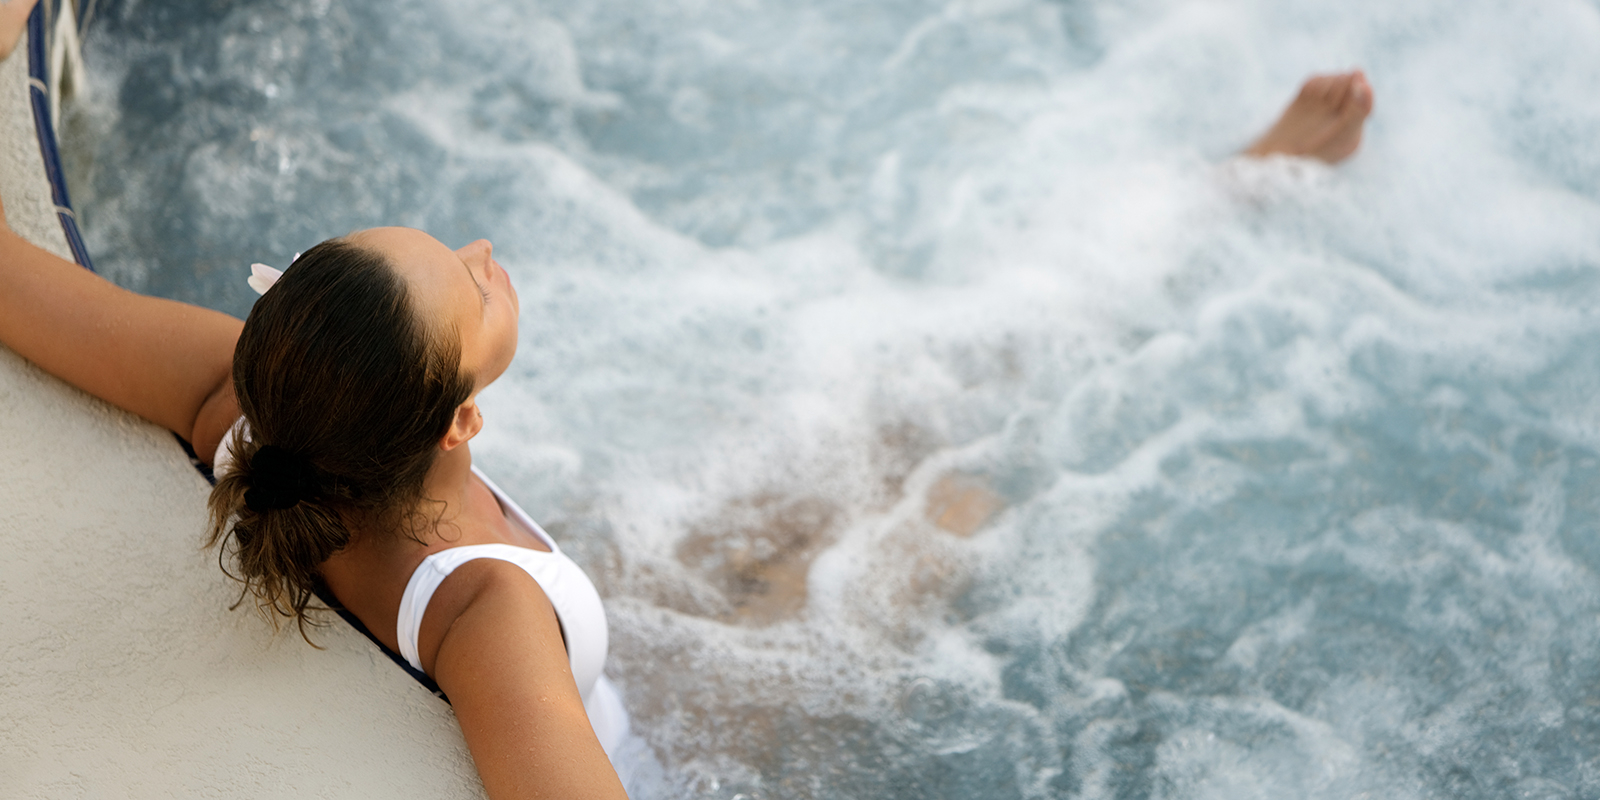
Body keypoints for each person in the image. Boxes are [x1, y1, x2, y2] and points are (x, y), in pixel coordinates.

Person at [0, 3, 1371, 796]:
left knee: (891, 410)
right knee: (945, 510)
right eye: (470, 295)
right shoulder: (491, 618)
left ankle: (1217, 198)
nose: (484, 260)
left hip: (613, 607)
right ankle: (1212, 234)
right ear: (458, 424)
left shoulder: (234, 394)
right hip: (683, 724)